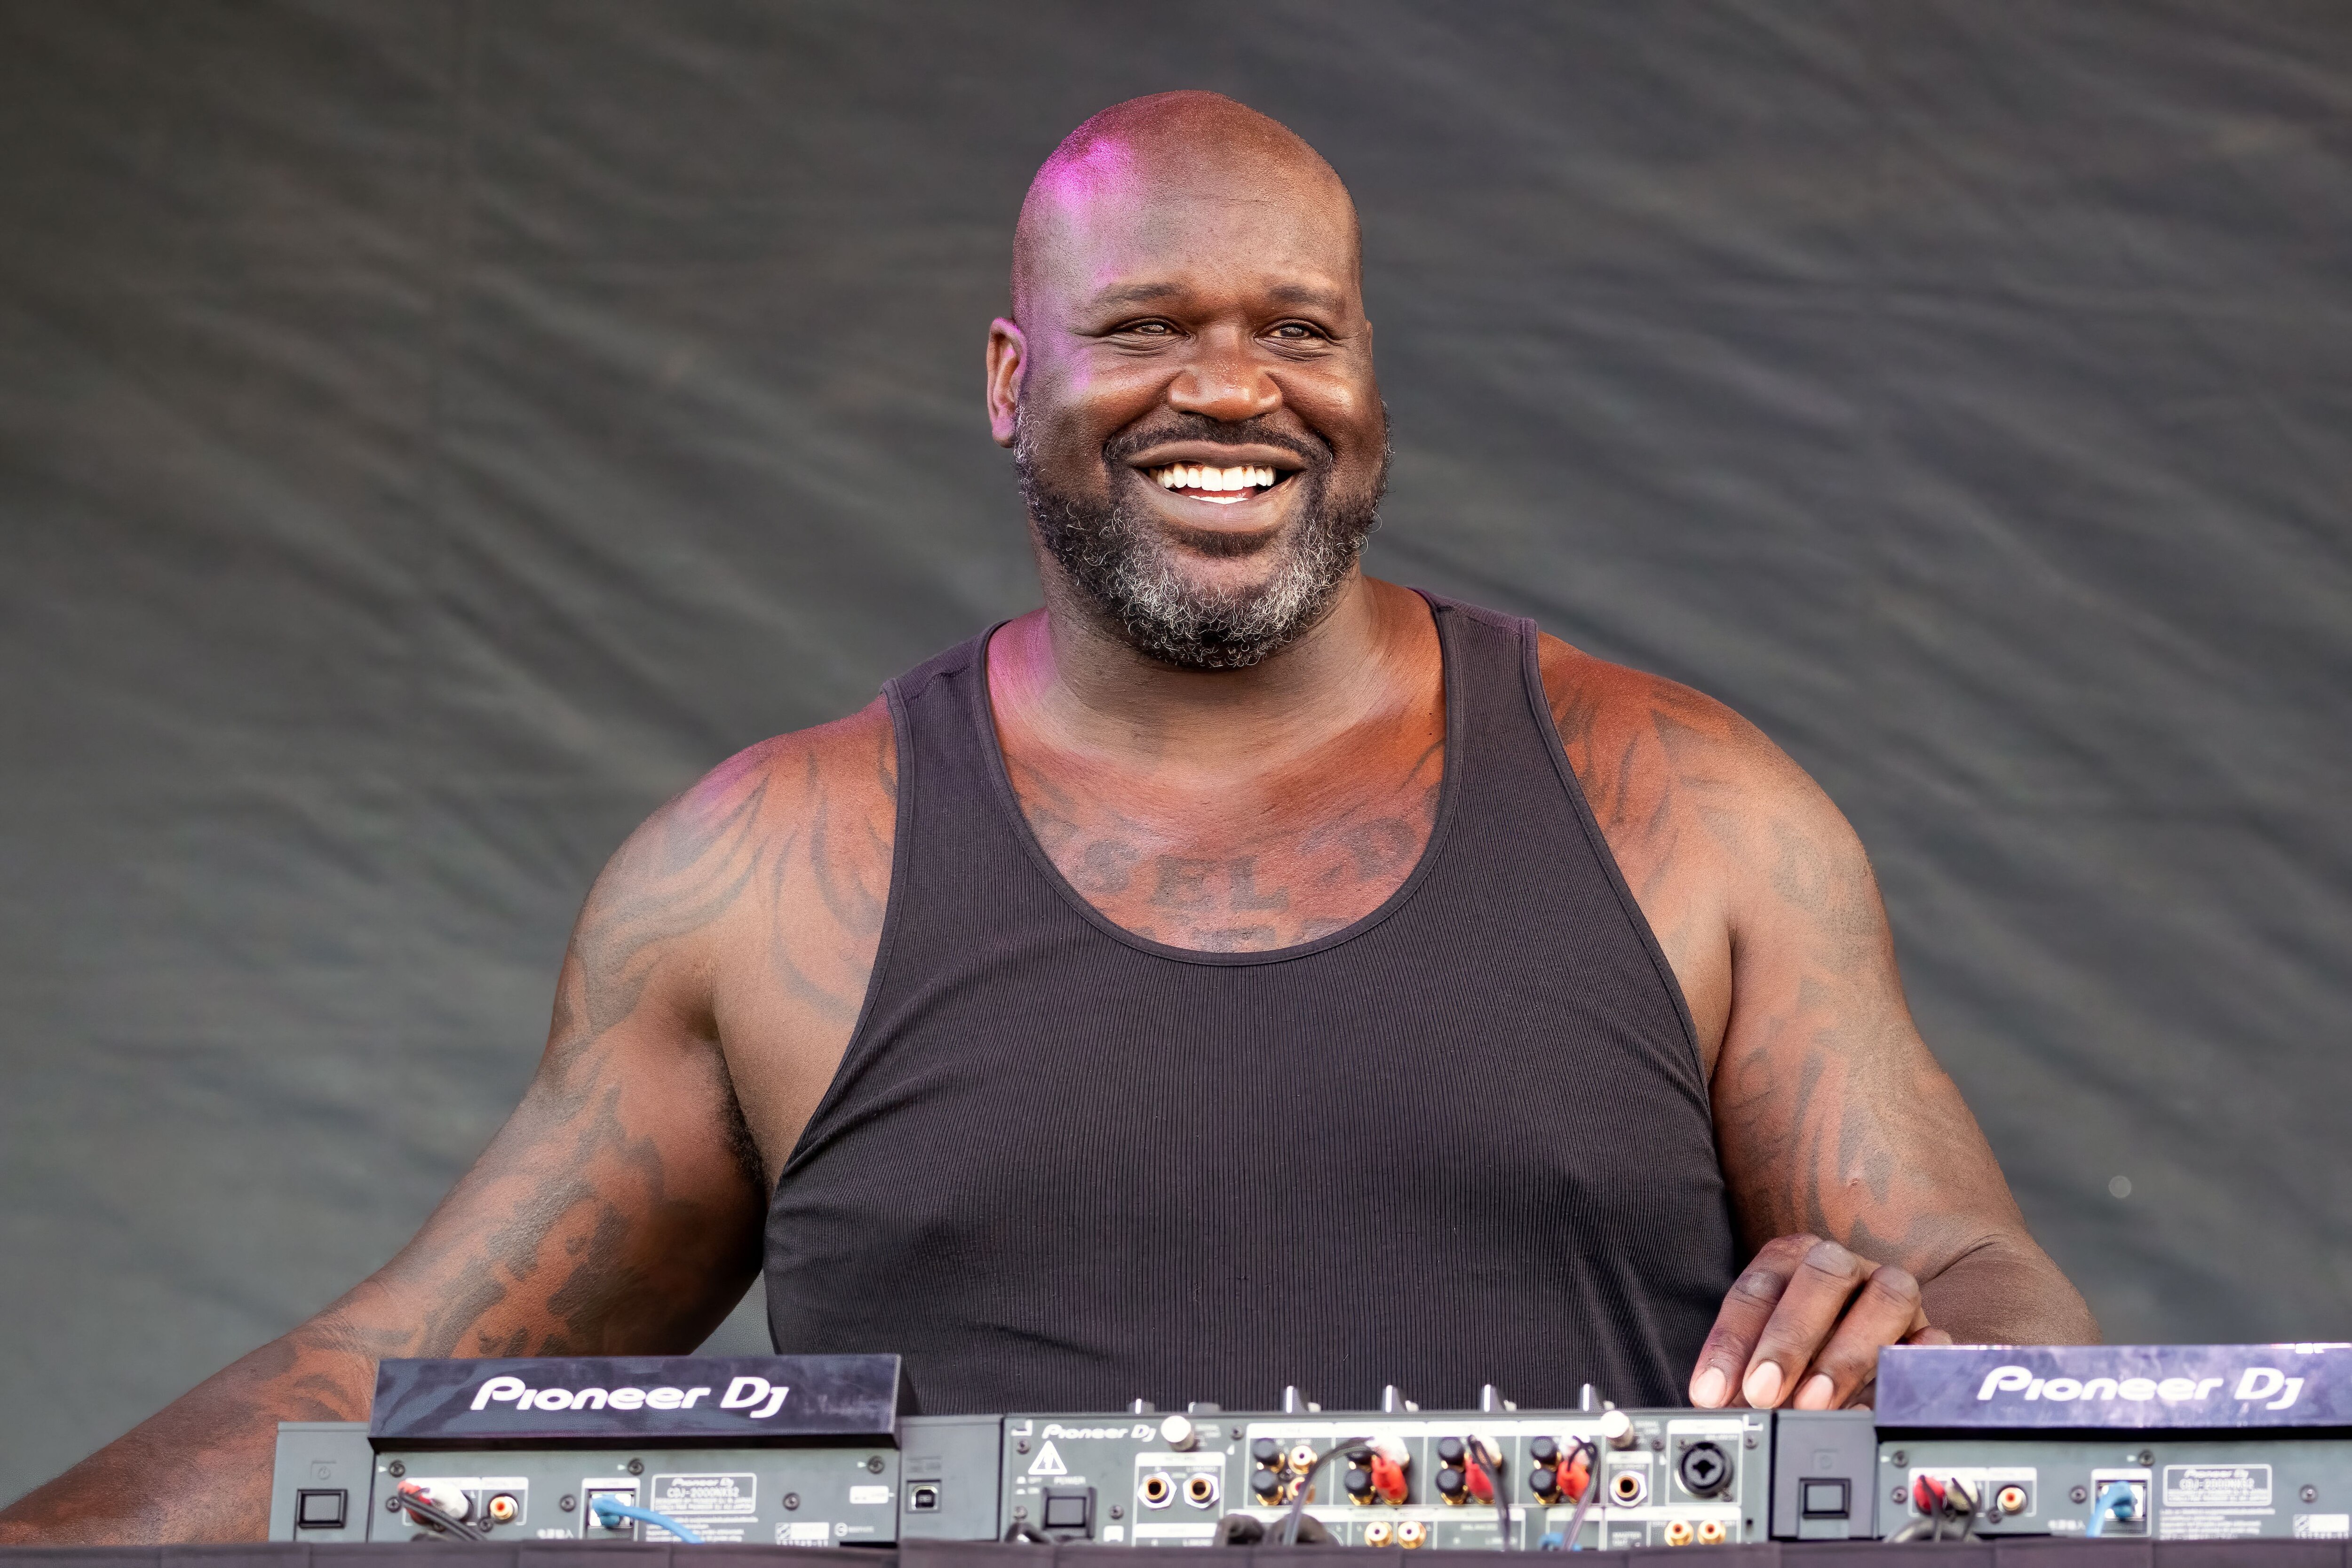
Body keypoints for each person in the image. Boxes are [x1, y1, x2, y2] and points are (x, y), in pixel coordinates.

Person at [0, 90, 2092, 1545]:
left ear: (1371, 382)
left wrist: (1919, 1332)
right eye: (1146, 328)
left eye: (1297, 330)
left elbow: (1990, 1293)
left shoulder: (1687, 806)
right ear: (1009, 379)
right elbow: (389, 1381)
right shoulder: (767, 876)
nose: (1233, 390)